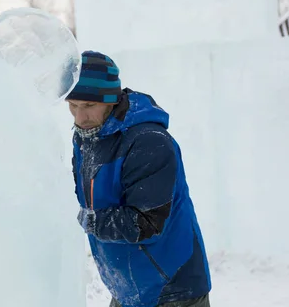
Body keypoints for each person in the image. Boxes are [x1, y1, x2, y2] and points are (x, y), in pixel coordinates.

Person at [66, 51, 211, 307]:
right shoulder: (87, 136)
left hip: (172, 288)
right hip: (128, 287)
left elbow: (146, 223)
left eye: (88, 106)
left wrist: (84, 218)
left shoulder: (149, 142)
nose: (79, 117)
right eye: (73, 105)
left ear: (110, 100)